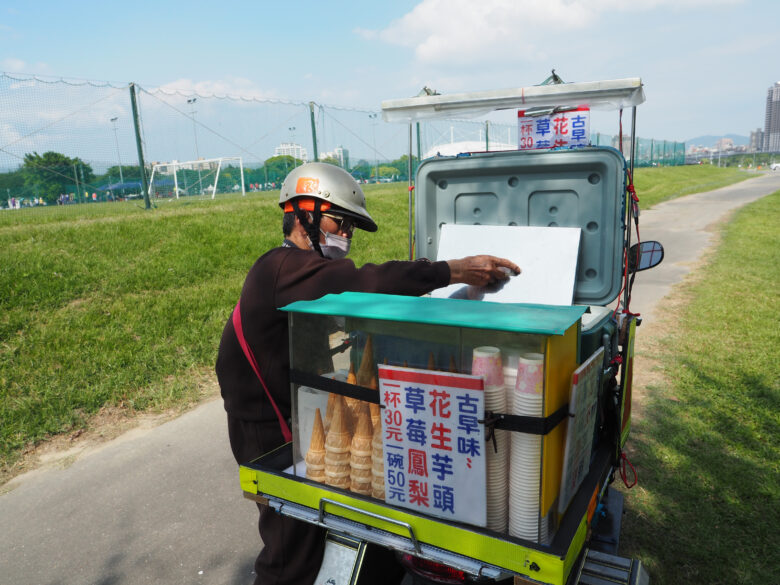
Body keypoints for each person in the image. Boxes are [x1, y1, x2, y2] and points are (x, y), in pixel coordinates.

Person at [215, 162, 520, 585]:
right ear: (305, 213)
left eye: (350, 229)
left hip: (295, 411)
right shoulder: (282, 267)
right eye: (341, 223)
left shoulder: (303, 277)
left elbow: (358, 316)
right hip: (268, 426)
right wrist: (452, 270)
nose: (346, 236)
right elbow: (367, 281)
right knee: (291, 548)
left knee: (328, 529)